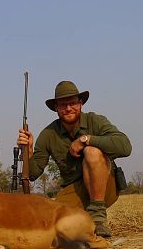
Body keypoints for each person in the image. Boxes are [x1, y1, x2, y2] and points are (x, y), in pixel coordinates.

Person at [17, 81, 132, 237]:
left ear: (81, 104)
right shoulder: (48, 134)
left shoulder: (95, 121)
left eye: (72, 103)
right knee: (50, 222)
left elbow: (125, 147)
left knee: (92, 152)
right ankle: (83, 220)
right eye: (63, 104)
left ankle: (98, 218)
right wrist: (28, 150)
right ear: (56, 108)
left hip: (106, 188)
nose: (68, 108)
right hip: (75, 190)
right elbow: (32, 174)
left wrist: (86, 140)